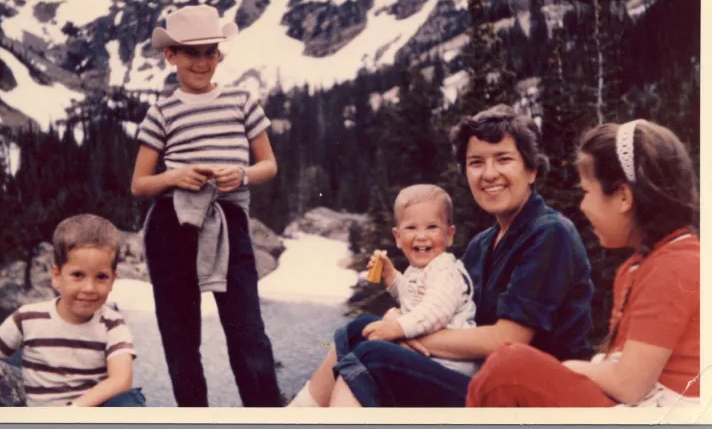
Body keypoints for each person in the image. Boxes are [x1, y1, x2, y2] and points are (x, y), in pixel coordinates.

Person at [290, 104, 594, 407]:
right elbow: (442, 306)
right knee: (358, 330)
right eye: (476, 162)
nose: (489, 174)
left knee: (373, 353)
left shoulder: (550, 233)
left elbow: (508, 340)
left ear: (531, 170)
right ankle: (296, 415)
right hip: (488, 381)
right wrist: (398, 323)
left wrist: (401, 333)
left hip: (535, 397)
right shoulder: (481, 244)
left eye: (503, 159)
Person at [466, 119, 700, 407]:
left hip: (664, 413)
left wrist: (567, 368)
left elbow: (628, 384)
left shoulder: (674, 267)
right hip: (641, 405)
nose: (582, 206)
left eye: (587, 192)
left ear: (624, 197)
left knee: (507, 369)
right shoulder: (638, 267)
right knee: (508, 367)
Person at [130, 4, 281, 407]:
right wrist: (174, 177)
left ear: (220, 55)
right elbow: (140, 183)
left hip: (229, 222)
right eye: (190, 52)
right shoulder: (161, 112)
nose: (201, 62)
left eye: (210, 52)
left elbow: (269, 164)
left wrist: (242, 175)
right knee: (181, 340)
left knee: (247, 333)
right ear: (171, 56)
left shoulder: (242, 101)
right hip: (172, 224)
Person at [0, 214, 144, 407]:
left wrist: (74, 411)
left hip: (87, 414)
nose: (89, 288)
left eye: (101, 277)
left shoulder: (112, 323)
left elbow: (121, 379)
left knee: (131, 402)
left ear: (112, 280)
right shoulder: (27, 318)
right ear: (56, 276)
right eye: (78, 275)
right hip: (42, 418)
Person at [351, 185, 478, 376]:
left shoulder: (445, 270)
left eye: (432, 227)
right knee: (358, 335)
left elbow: (433, 311)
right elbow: (412, 296)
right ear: (398, 237)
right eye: (411, 228)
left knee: (367, 356)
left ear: (449, 235)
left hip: (452, 365)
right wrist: (391, 276)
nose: (421, 236)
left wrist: (396, 327)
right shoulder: (419, 269)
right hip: (431, 357)